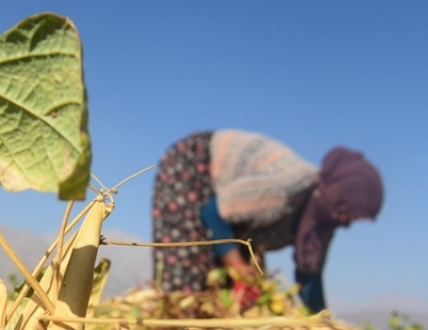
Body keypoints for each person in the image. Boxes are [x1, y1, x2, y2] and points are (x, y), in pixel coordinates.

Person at [151, 130, 383, 312]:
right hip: (197, 168)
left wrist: (323, 327)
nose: (346, 225)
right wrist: (239, 271)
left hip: (231, 217)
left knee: (242, 300)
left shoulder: (321, 224)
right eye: (346, 216)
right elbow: (215, 212)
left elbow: (310, 278)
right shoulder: (288, 188)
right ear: (335, 199)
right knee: (187, 281)